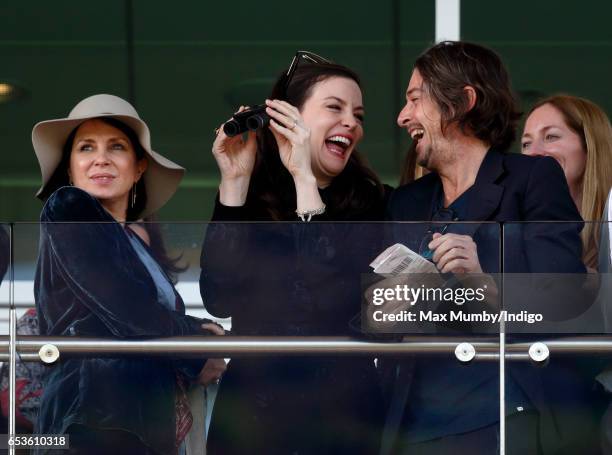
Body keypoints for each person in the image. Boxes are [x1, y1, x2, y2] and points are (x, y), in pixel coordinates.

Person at [383, 41, 596, 454]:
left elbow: (565, 295)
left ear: (463, 101)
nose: (402, 117)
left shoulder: (532, 178)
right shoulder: (406, 201)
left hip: (505, 415)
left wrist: (486, 283)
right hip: (415, 428)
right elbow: (380, 314)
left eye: (414, 99)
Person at [200, 52, 389, 454]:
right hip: (254, 417)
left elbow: (334, 298)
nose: (352, 123)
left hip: (344, 419)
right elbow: (219, 297)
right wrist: (234, 184)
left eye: (358, 115)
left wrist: (306, 180)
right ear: (290, 118)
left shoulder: (373, 204)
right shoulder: (253, 198)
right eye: (335, 108)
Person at [32, 94, 222, 455]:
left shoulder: (133, 244)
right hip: (89, 422)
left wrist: (197, 331)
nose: (100, 158)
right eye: (86, 148)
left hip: (136, 425)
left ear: (138, 168)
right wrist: (195, 346)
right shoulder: (69, 205)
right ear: (70, 169)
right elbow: (125, 309)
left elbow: (129, 310)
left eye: (116, 147)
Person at [522, 94, 612, 270]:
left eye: (551, 137)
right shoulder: (515, 232)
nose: (533, 152)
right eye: (526, 143)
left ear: (590, 145)